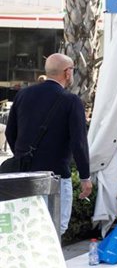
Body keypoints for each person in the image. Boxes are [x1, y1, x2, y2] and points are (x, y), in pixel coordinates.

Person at [4, 53, 91, 235]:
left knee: (25, 227)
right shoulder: (71, 101)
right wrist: (85, 177)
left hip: (23, 174)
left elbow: (10, 132)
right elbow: (79, 143)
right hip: (55, 176)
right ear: (67, 73)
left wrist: (23, 156)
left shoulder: (23, 95)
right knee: (55, 228)